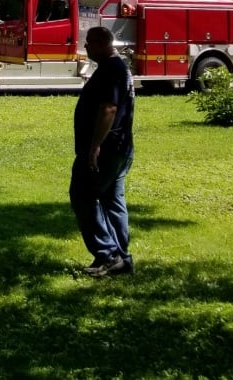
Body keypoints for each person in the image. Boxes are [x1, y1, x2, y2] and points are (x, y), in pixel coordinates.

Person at [69, 25, 135, 277]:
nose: (85, 47)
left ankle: (108, 253)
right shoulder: (116, 69)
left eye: (89, 43)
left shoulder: (112, 71)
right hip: (120, 147)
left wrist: (95, 145)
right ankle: (122, 258)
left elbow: (109, 109)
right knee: (112, 200)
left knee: (82, 195)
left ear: (100, 43)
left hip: (106, 149)